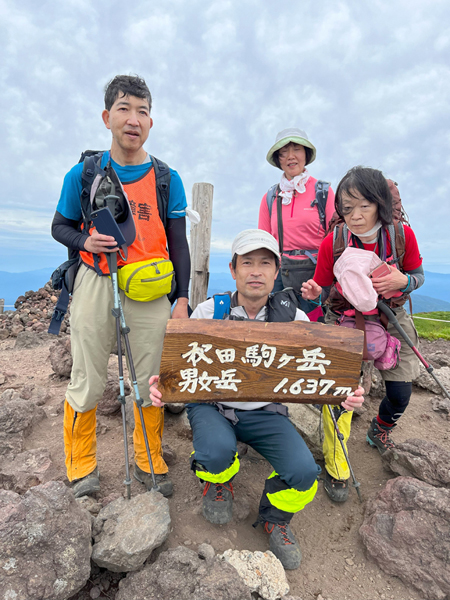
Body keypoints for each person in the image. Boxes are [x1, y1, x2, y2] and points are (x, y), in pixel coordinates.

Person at [149, 229, 364, 570]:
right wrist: (163, 384)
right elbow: (177, 361)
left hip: (267, 412)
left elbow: (319, 372)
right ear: (233, 270)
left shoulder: (291, 317)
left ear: (277, 272)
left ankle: (274, 518)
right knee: (216, 451)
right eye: (246, 262)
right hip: (212, 407)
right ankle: (217, 482)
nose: (255, 271)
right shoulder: (212, 310)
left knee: (304, 472)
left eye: (265, 263)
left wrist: (344, 395)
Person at [51, 75, 190, 498]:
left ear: (152, 122)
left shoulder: (167, 178)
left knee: (152, 380)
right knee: (88, 378)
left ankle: (148, 458)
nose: (134, 119)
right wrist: (84, 240)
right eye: (125, 109)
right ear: (107, 117)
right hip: (96, 279)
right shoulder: (84, 174)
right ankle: (81, 466)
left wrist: (183, 298)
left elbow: (179, 243)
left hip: (152, 290)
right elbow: (60, 226)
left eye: (143, 111)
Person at [302, 167, 424, 460]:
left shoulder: (401, 235)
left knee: (400, 393)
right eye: (347, 208)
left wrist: (402, 281)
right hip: (344, 315)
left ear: (380, 205)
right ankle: (334, 451)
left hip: (390, 314)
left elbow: (417, 276)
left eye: (364, 206)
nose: (354, 216)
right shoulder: (334, 241)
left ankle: (380, 428)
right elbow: (323, 285)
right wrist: (315, 293)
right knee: (338, 390)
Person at [258, 128, 335, 314]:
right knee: (279, 329)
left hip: (317, 275)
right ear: (278, 160)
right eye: (283, 153)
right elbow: (264, 244)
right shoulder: (270, 197)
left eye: (297, 150)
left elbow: (334, 239)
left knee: (316, 330)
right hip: (280, 275)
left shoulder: (323, 192)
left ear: (306, 154)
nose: (290, 157)